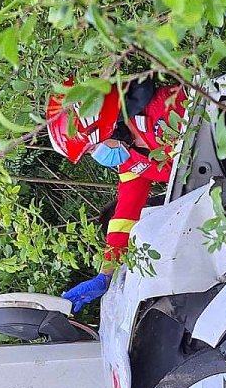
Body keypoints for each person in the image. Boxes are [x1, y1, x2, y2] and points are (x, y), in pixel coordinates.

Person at [47, 77, 188, 311]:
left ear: (103, 126)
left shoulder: (166, 107)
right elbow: (124, 218)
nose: (96, 156)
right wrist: (105, 275)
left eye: (92, 149)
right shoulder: (131, 159)